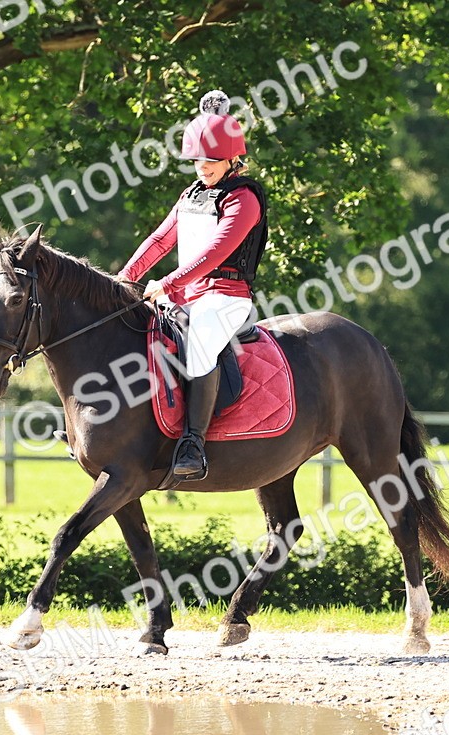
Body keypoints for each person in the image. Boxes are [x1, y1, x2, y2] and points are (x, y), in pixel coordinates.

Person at [117, 90, 269, 480]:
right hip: (186, 295)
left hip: (225, 297)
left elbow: (215, 253)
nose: (204, 166)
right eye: (198, 159)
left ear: (234, 158)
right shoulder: (191, 195)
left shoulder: (243, 198)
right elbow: (160, 241)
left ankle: (193, 443)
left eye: (212, 160)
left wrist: (166, 284)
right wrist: (123, 280)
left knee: (200, 345)